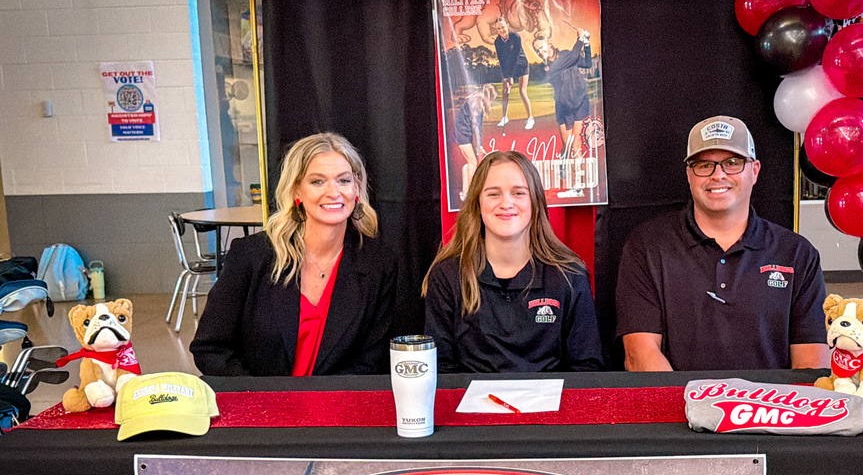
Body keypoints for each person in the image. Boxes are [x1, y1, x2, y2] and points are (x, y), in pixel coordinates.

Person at [616, 115, 829, 373]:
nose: (718, 175)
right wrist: (693, 410)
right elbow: (640, 354)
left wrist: (755, 413)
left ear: (755, 170)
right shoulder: (647, 247)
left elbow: (810, 366)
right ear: (689, 174)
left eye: (732, 163)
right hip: (680, 411)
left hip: (769, 412)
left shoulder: (797, 254)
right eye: (704, 165)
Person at [190, 132, 395, 376]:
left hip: (335, 407)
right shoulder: (251, 256)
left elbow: (373, 362)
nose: (333, 192)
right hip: (261, 405)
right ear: (297, 191)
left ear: (357, 189)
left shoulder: (379, 264)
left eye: (343, 180)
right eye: (317, 181)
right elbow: (211, 349)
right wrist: (268, 400)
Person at [422, 150, 603, 373]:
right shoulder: (447, 276)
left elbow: (586, 368)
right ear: (477, 203)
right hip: (470, 407)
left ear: (535, 202)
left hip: (549, 407)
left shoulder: (569, 276)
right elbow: (440, 370)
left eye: (518, 193)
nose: (506, 203)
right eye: (493, 194)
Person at [533, 27, 592, 158]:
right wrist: (580, 38)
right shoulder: (547, 67)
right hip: (564, 107)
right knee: (567, 146)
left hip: (579, 101)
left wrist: (586, 43)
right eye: (537, 51)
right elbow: (573, 57)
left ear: (549, 44)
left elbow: (587, 63)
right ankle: (563, 171)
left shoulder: (566, 55)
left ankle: (578, 177)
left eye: (541, 47)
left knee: (576, 143)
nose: (540, 52)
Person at [453, 83, 497, 201]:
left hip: (464, 133)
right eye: (493, 98)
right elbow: (476, 127)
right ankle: (466, 194)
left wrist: (479, 146)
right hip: (462, 133)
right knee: (472, 162)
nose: (493, 101)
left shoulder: (477, 100)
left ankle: (466, 192)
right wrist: (480, 146)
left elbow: (477, 126)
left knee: (471, 163)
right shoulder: (477, 103)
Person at [493, 17, 534, 131]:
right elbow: (502, 60)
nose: (501, 30)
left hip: (521, 65)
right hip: (509, 68)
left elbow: (516, 57)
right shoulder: (497, 42)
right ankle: (504, 117)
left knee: (522, 91)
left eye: (503, 27)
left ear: (507, 26)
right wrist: (506, 77)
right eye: (498, 29)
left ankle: (530, 118)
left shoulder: (515, 37)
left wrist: (511, 76)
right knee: (505, 91)